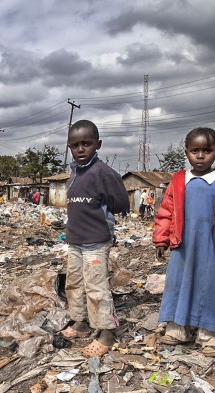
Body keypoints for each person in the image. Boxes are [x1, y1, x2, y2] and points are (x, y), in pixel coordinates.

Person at [153, 127, 215, 357]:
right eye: (194, 150)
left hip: (212, 244)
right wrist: (161, 239)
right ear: (186, 152)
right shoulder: (179, 180)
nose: (200, 155)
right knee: (178, 285)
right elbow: (166, 211)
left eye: (207, 150)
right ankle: (178, 329)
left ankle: (212, 335)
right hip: (182, 244)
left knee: (211, 287)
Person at [59, 120, 129, 358]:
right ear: (69, 147)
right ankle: (80, 323)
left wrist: (103, 219)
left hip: (96, 242)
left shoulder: (103, 173)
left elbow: (120, 203)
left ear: (98, 144)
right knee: (74, 284)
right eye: (75, 145)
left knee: (96, 287)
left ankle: (107, 333)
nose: (81, 149)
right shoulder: (75, 173)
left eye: (86, 144)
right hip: (75, 241)